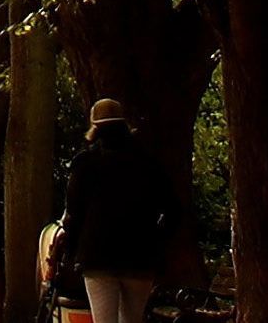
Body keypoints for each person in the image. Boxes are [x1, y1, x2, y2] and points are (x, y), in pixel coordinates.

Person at [53, 98, 180, 323]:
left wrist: (72, 250)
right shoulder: (148, 163)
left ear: (95, 126)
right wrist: (157, 240)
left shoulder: (85, 164)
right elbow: (171, 209)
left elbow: (74, 212)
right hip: (140, 256)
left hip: (97, 256)